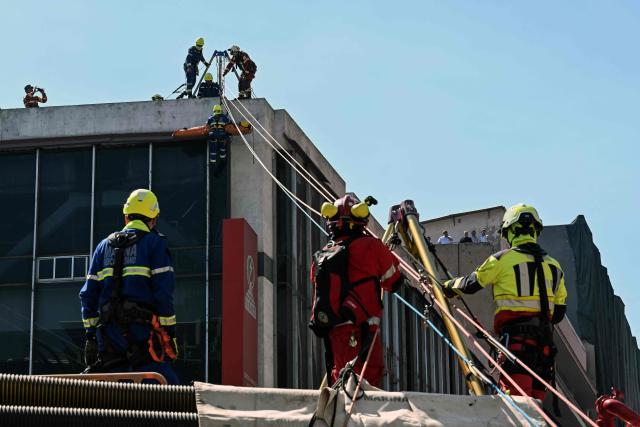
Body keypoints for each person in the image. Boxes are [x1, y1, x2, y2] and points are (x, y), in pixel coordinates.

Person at [442, 204, 567, 400]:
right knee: (536, 411)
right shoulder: (555, 266)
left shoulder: (502, 259)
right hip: (544, 350)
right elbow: (558, 314)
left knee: (517, 407)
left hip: (517, 347)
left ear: (510, 231)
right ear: (536, 231)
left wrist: (447, 286)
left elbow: (471, 284)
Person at [79, 189, 179, 384]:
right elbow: (163, 294)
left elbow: (88, 295)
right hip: (143, 335)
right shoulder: (155, 244)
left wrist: (90, 336)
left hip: (109, 337)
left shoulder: (102, 246)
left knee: (115, 395)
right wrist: (169, 333)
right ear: (154, 219)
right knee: (168, 392)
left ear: (126, 217)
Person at [309, 194, 403, 388]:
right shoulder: (372, 246)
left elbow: (315, 283)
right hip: (362, 328)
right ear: (361, 221)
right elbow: (393, 281)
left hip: (335, 328)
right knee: (365, 381)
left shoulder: (324, 254)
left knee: (340, 376)